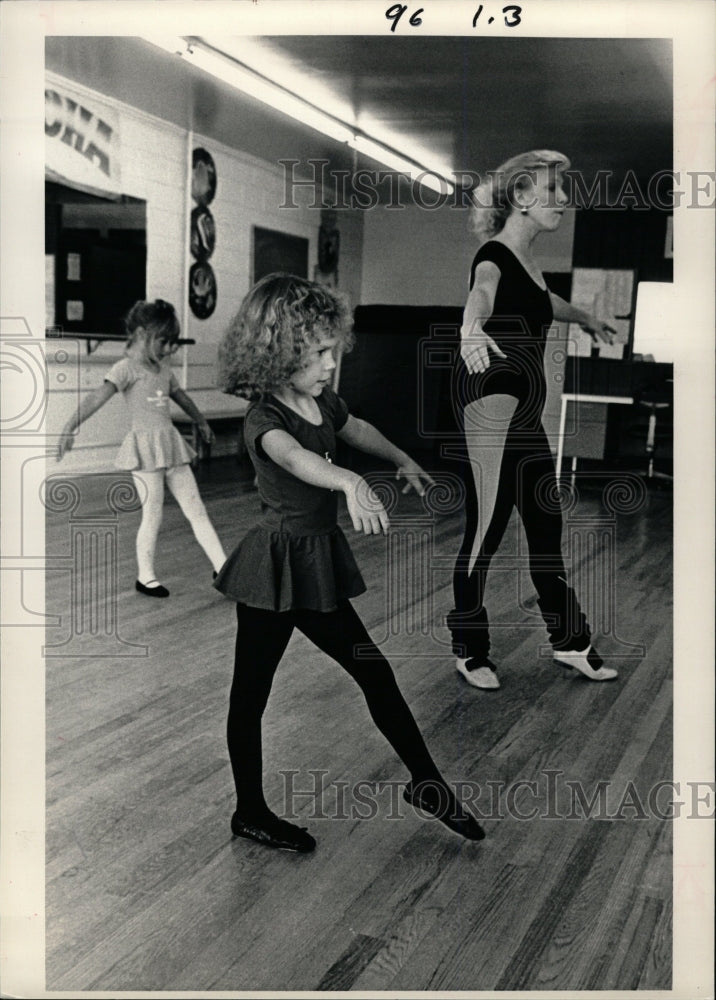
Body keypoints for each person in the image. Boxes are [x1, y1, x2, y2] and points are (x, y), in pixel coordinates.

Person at [214, 273, 485, 853]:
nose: (331, 363)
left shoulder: (319, 401)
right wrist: (349, 481)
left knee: (374, 671)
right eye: (317, 354)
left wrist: (401, 457)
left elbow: (355, 427)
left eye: (333, 350)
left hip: (317, 566)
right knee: (250, 695)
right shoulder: (265, 419)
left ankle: (427, 785)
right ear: (277, 352)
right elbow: (296, 460)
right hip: (274, 569)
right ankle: (250, 812)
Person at [447, 150, 619, 690]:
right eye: (553, 190)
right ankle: (469, 651)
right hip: (491, 412)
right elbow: (482, 292)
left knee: (546, 527)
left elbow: (545, 303)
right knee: (485, 533)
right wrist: (469, 329)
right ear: (521, 198)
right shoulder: (494, 256)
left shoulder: (530, 264)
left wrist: (587, 316)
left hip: (523, 418)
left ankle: (570, 643)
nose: (564, 200)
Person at [57, 299, 227, 597]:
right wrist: (70, 426)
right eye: (163, 341)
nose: (168, 348)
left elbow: (181, 397)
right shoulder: (125, 368)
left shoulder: (162, 370)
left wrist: (200, 421)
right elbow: (96, 398)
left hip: (171, 447)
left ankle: (223, 569)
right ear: (141, 334)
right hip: (144, 451)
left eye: (172, 342)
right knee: (153, 514)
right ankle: (145, 577)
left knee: (197, 510)